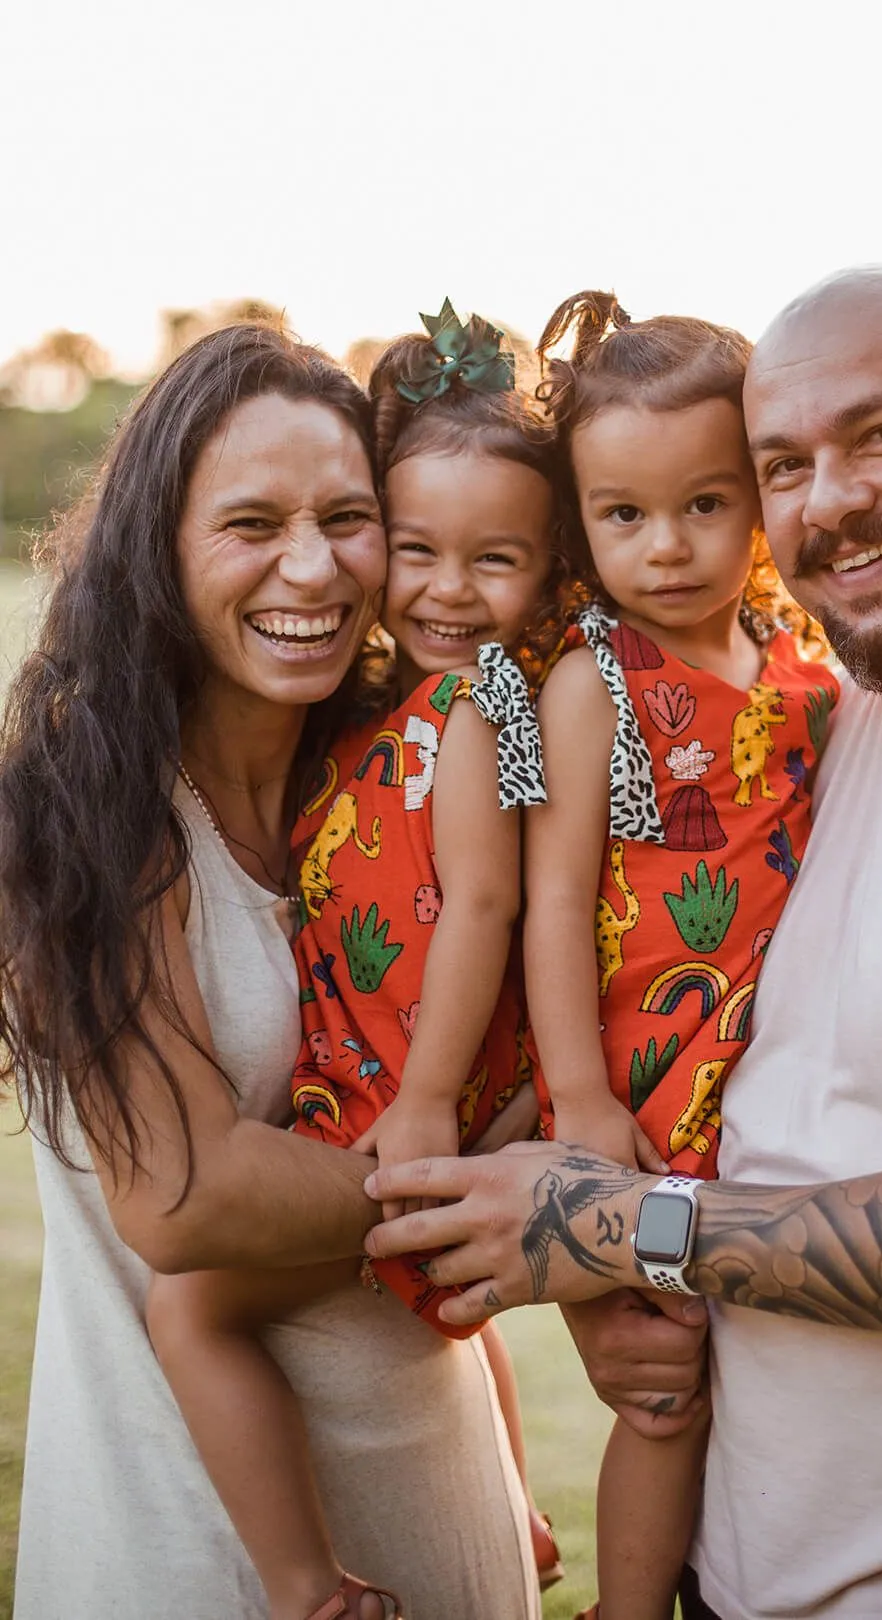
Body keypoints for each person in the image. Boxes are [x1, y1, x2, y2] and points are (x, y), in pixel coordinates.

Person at [362, 264, 882, 1620]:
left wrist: (618, 1225)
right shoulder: (857, 704)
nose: (831, 497)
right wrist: (589, 1220)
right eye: (785, 461)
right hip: (749, 1568)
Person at [0, 323, 540, 1620]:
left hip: (443, 1496)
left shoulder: (397, 760)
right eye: (251, 522)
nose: (311, 566)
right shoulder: (88, 805)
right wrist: (488, 1181)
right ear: (159, 547)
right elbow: (186, 1200)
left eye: (349, 518)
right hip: (191, 1546)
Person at [145, 302, 563, 1619]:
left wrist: (444, 1120)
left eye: (491, 557)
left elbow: (495, 909)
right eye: (420, 547)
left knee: (195, 1310)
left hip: (413, 1135)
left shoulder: (484, 710)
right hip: (384, 1113)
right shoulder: (378, 726)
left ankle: (313, 1581)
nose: (441, 586)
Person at [523, 291, 837, 1620]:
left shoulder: (808, 663)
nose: (666, 547)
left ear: (762, 494)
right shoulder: (595, 681)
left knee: (770, 1366)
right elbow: (550, 904)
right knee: (664, 1388)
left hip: (777, 1091)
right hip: (649, 1097)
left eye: (705, 505)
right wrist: (585, 1103)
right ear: (579, 521)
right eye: (624, 516)